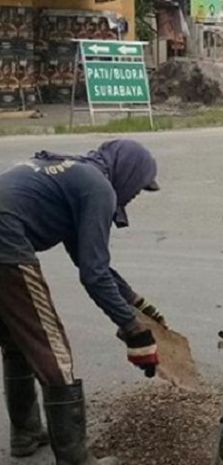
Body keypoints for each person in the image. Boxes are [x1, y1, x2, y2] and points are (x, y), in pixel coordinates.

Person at [0, 139, 165, 464]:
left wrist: (137, 304)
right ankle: (75, 458)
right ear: (127, 172)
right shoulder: (98, 188)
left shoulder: (76, 174)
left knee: (18, 339)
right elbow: (93, 275)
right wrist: (133, 330)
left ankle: (26, 433)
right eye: (138, 187)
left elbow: (90, 263)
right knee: (52, 347)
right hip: (5, 246)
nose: (133, 196)